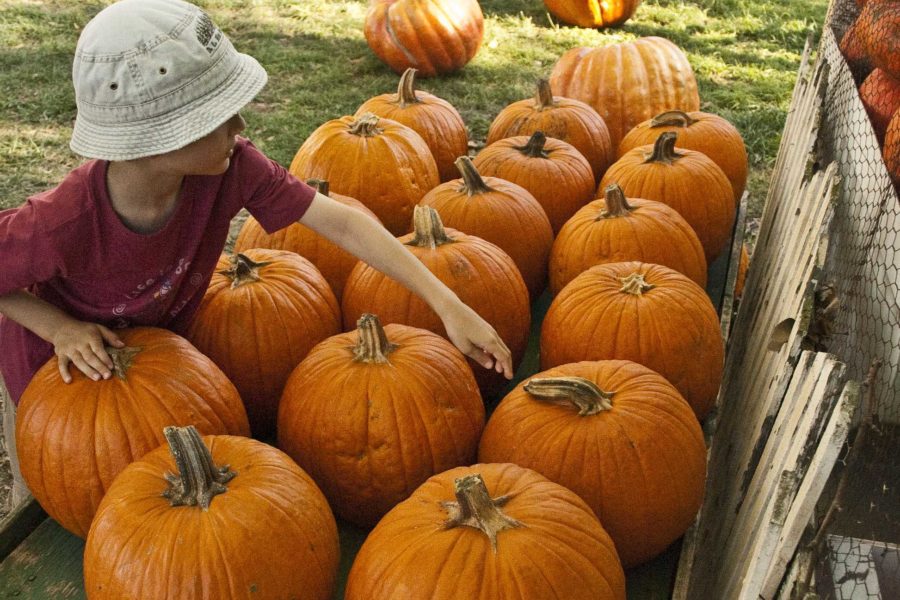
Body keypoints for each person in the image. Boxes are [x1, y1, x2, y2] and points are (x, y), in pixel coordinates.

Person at [0, 0, 512, 451]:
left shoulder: (232, 169)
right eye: (221, 117)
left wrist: (449, 305)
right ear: (159, 140)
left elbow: (345, 224)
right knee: (62, 474)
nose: (240, 127)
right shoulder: (64, 221)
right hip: (59, 377)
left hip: (148, 358)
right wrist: (60, 329)